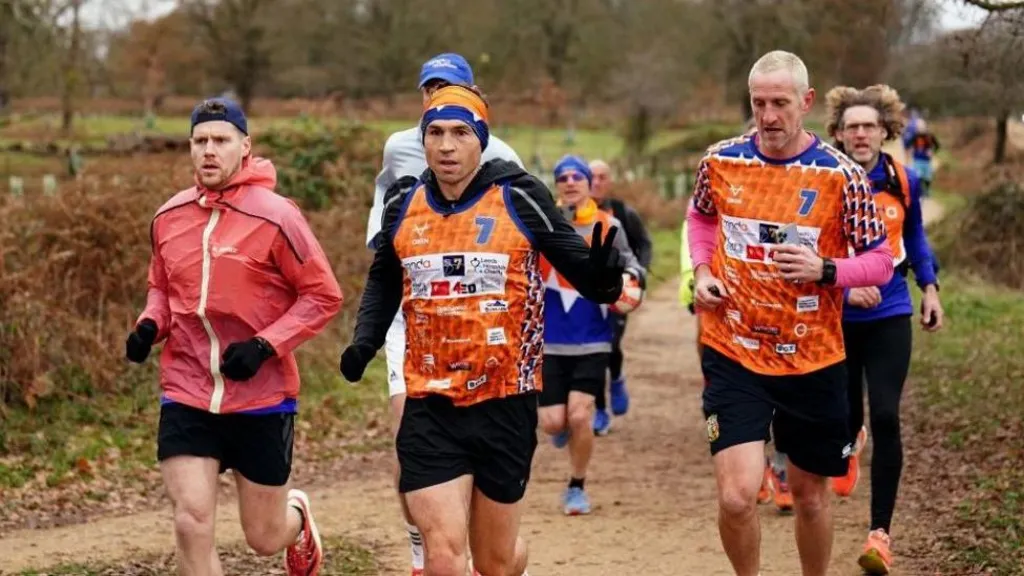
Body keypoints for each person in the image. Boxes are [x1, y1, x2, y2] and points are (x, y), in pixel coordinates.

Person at [339, 85, 625, 576]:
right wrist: (365, 341)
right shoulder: (404, 202)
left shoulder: (519, 195)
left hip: (505, 405)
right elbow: (384, 279)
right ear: (423, 139)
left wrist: (604, 274)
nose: (447, 146)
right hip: (429, 403)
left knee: (495, 562)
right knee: (444, 555)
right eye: (435, 133)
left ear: (481, 140)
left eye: (460, 133)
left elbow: (587, 276)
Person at [686, 50, 895, 576]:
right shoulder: (720, 160)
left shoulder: (841, 176)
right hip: (734, 348)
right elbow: (701, 218)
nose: (769, 116)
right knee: (736, 497)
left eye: (780, 103)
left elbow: (879, 263)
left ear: (805, 102)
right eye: (759, 103)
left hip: (812, 357)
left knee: (809, 497)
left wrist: (826, 270)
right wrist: (703, 271)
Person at [125, 97, 343, 576]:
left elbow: (323, 296)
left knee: (263, 538)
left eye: (220, 140)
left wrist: (265, 346)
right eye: (200, 141)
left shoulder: (277, 216)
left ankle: (297, 519)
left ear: (245, 147)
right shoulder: (169, 217)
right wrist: (149, 325)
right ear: (189, 148)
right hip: (187, 389)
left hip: (261, 397)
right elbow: (161, 288)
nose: (209, 151)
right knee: (191, 520)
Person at [365, 52, 524, 576]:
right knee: (404, 431)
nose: (436, 96)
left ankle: (489, 547)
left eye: (448, 87)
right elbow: (384, 231)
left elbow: (523, 236)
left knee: (494, 548)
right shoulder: (399, 147)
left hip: (482, 328)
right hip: (412, 317)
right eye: (428, 87)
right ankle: (423, 548)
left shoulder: (502, 153)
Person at [825, 84, 944, 575]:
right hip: (836, 312)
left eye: (868, 125)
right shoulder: (824, 180)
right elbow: (810, 247)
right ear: (838, 133)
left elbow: (913, 233)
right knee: (845, 408)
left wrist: (930, 287)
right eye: (851, 126)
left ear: (884, 130)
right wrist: (846, 288)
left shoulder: (903, 178)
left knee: (889, 414)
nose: (860, 134)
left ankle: (879, 535)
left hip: (891, 307)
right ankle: (851, 438)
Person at [539, 155, 645, 514]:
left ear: (589, 184)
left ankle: (576, 486)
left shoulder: (608, 224)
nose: (570, 182)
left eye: (577, 177)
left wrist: (631, 284)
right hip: (549, 337)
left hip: (592, 335)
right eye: (562, 177)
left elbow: (631, 264)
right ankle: (564, 428)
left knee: (581, 414)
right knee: (553, 422)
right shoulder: (541, 224)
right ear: (556, 185)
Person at [587, 159, 652, 434]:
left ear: (609, 181)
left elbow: (643, 244)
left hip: (617, 292)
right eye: (592, 177)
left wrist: (638, 276)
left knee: (611, 347)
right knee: (596, 352)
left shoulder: (624, 213)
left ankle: (616, 378)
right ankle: (600, 410)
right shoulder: (568, 215)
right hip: (585, 293)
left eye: (602, 177)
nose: (597, 182)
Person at [903, 118, 940, 197]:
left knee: (927, 177)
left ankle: (927, 190)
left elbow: (937, 146)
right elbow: (907, 145)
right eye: (919, 127)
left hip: (926, 160)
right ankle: (920, 191)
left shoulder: (930, 136)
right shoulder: (915, 136)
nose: (920, 129)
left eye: (922, 127)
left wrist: (932, 152)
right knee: (918, 176)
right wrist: (909, 152)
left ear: (925, 127)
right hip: (917, 159)